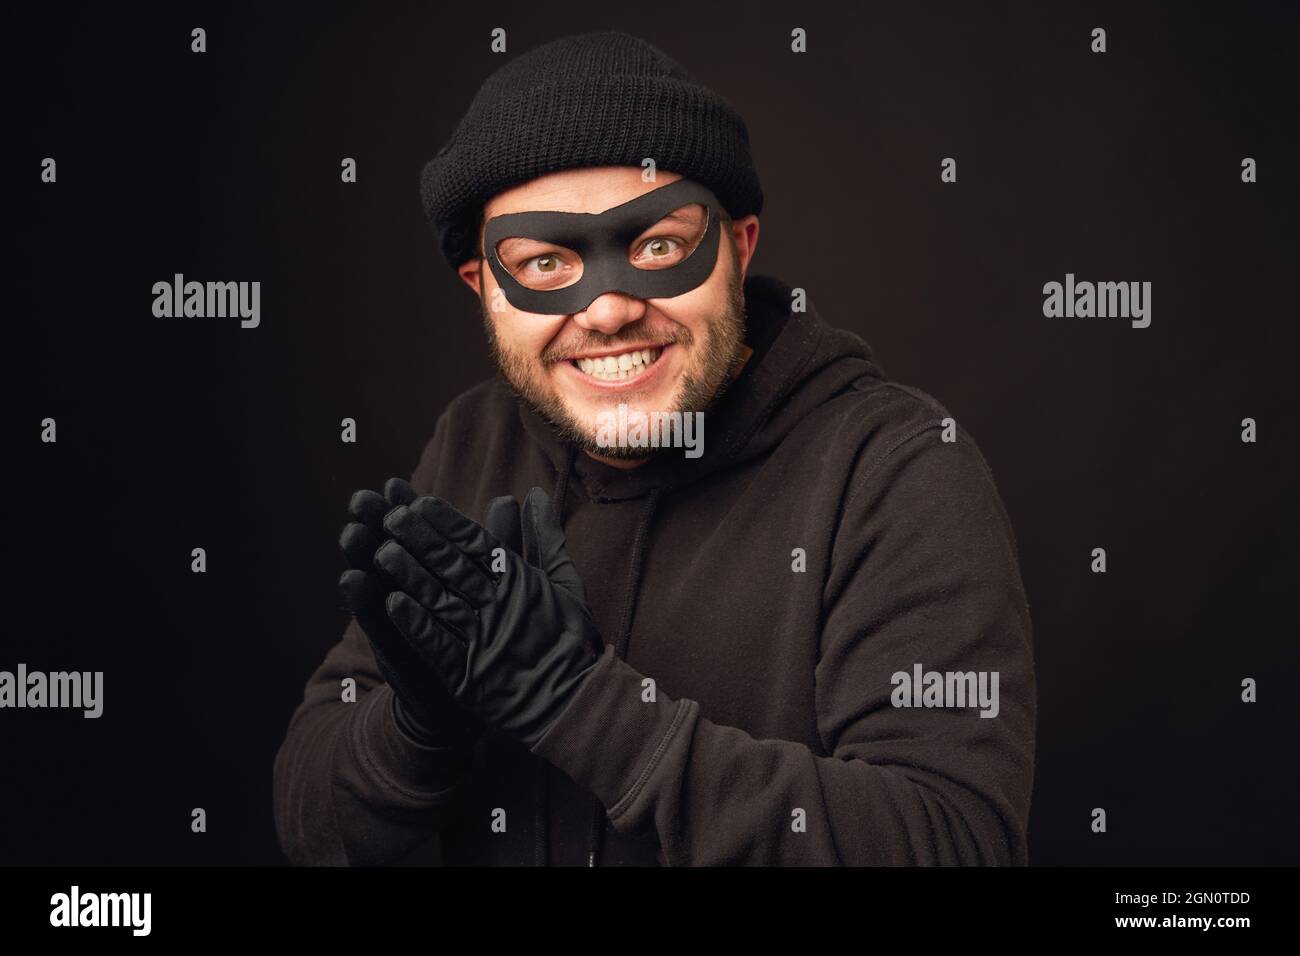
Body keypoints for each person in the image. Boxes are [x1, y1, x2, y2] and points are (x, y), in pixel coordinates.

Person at [272, 30, 1036, 866]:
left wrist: (580, 705)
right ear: (485, 290)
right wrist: (418, 732)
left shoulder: (894, 468)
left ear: (739, 250)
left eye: (659, 246)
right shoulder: (472, 444)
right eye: (544, 261)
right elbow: (313, 826)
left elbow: (956, 845)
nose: (607, 312)